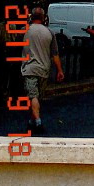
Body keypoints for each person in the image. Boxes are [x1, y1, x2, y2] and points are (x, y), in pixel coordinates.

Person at [21, 7, 64, 135]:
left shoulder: (25, 31)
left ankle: (37, 122)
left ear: (32, 17)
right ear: (44, 18)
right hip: (44, 69)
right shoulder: (50, 33)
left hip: (29, 68)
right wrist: (60, 70)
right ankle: (31, 122)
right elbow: (55, 54)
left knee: (32, 96)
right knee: (37, 97)